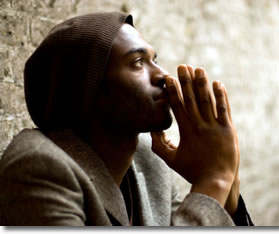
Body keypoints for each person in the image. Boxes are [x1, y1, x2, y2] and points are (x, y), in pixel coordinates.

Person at [0, 11, 253, 226]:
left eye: (155, 60)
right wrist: (213, 180)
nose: (164, 75)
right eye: (137, 62)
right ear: (87, 89)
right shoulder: (38, 168)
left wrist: (229, 188)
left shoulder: (149, 160)